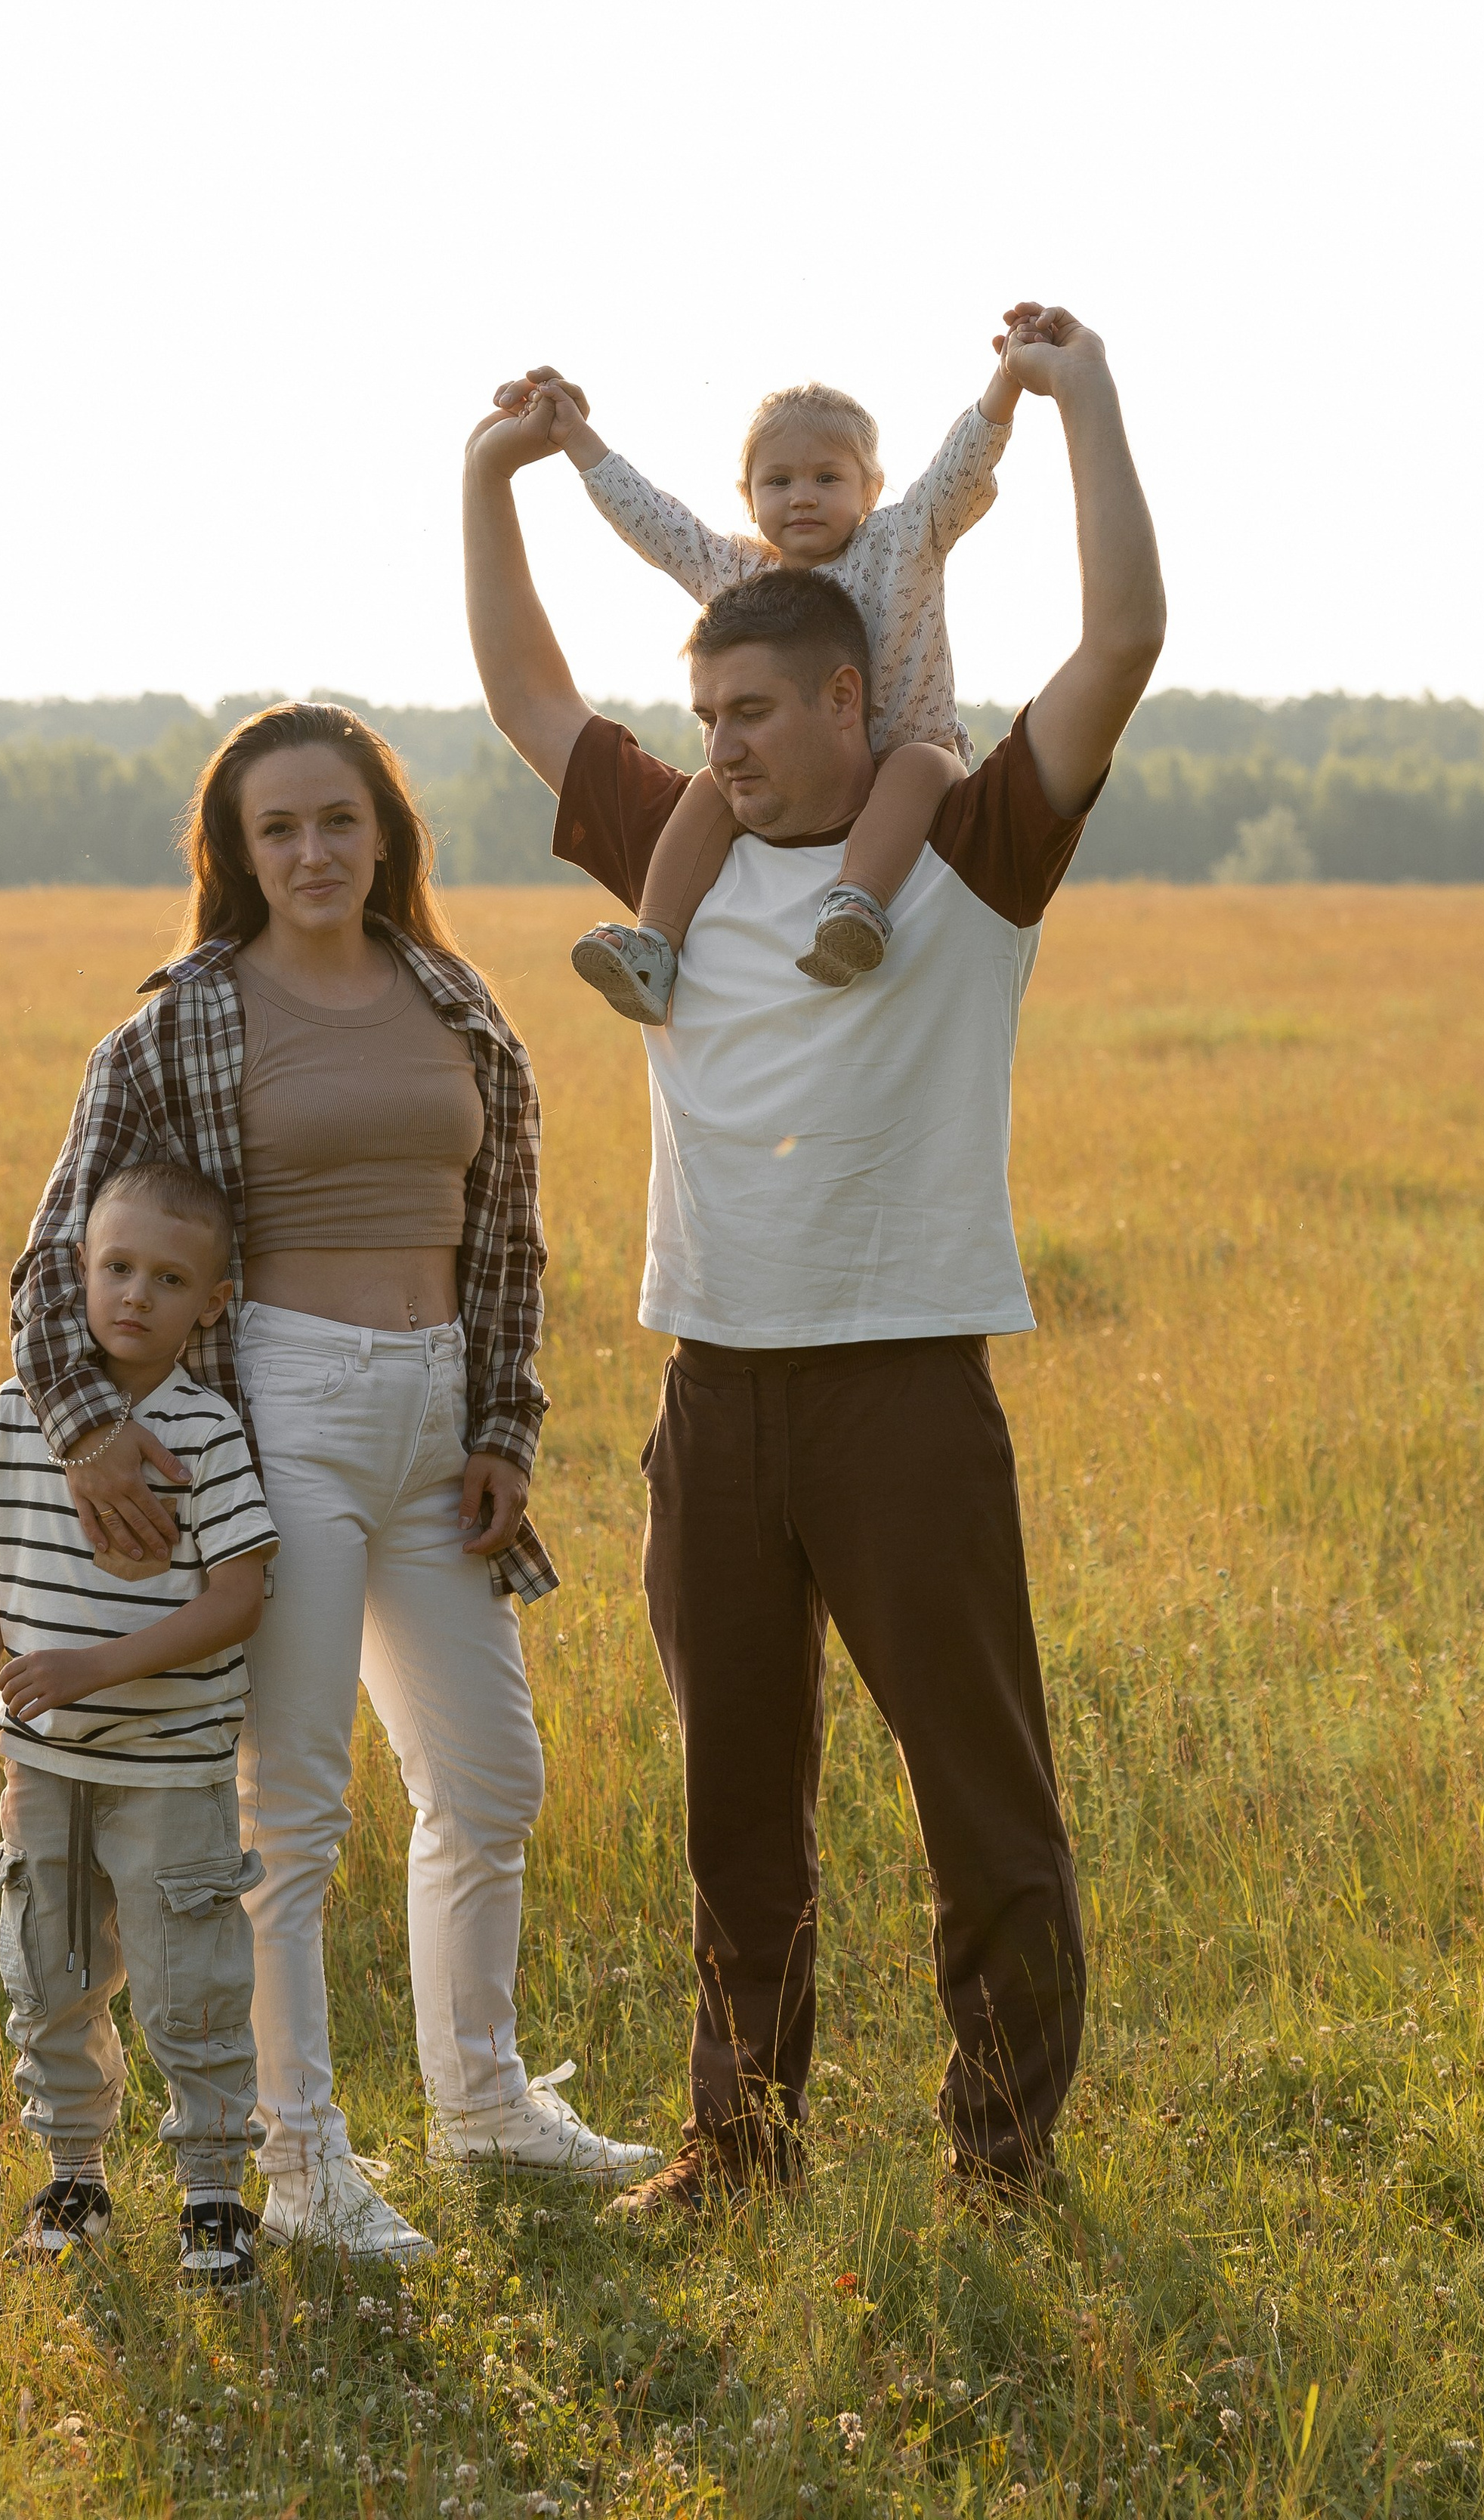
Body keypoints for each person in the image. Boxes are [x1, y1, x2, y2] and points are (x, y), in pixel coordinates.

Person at [463, 304, 1165, 2211]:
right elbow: (531, 700)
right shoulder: (673, 874)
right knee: (732, 1818)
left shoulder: (968, 855)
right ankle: (736, 2149)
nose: (723, 752)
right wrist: (487, 484)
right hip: (713, 1397)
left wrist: (1081, 402)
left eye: (753, 716)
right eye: (705, 724)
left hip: (902, 1392)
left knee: (980, 1799)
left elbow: (1115, 645)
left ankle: (999, 2160)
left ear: (854, 704)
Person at [9, 700, 656, 2263]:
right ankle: (295, 2164)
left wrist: (503, 1426)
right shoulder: (179, 1024)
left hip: (437, 1419)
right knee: (292, 1812)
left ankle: (481, 2099)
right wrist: (95, 1431)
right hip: (280, 1410)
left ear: (386, 835)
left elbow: (506, 1237)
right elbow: (53, 1257)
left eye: (337, 821)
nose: (311, 851)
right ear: (237, 854)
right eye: (276, 828)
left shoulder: (456, 999)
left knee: (489, 1781)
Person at [0, 1157, 274, 2286]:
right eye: (116, 1267)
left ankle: (215, 2196)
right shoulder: (23, 1414)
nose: (136, 1294)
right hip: (41, 1771)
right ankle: (74, 2175)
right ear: (75, 1272)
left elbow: (239, 1598)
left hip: (171, 1770)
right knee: (50, 1971)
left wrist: (92, 1669)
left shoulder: (209, 1432)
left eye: (169, 1278)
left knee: (193, 1983)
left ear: (211, 1302)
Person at [491, 336, 1021, 1020]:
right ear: (748, 497)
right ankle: (655, 944)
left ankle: (854, 907)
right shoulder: (743, 576)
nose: (803, 498)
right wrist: (575, 438)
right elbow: (659, 526)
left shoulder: (903, 543)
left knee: (917, 763)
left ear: (872, 489)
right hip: (796, 778)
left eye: (827, 478)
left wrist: (1006, 379)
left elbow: (961, 466)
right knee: (711, 784)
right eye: (779, 481)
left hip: (911, 769)